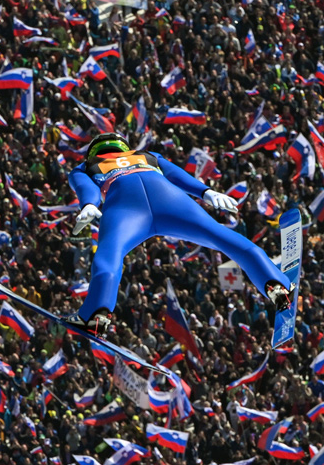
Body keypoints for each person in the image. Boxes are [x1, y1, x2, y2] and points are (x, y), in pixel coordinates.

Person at [67, 133, 293, 332]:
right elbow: (176, 174)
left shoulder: (86, 166)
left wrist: (89, 204)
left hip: (125, 207)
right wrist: (206, 192)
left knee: (109, 255)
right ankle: (275, 284)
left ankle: (97, 315)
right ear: (123, 146)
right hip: (169, 199)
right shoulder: (147, 155)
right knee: (222, 237)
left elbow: (85, 187)